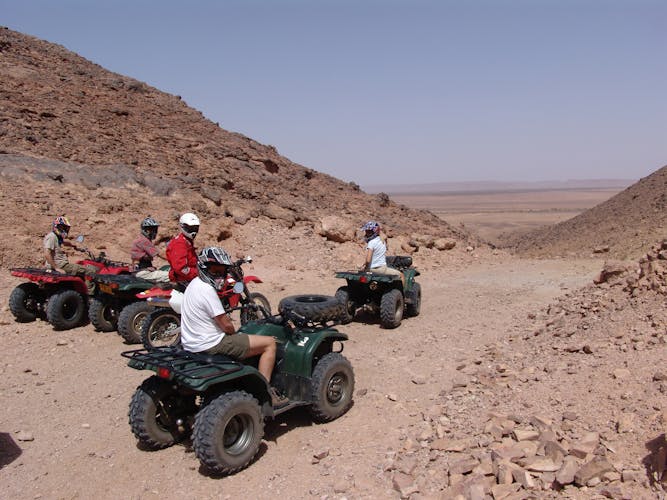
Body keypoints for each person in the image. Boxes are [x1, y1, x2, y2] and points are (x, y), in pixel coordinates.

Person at [180, 247, 288, 407]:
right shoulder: (207, 290)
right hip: (211, 343)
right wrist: (233, 331)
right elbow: (227, 327)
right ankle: (265, 392)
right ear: (204, 268)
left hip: (190, 342)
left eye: (222, 271)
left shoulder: (193, 284)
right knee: (269, 343)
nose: (220, 275)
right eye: (216, 271)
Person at [43, 215, 96, 292]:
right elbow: (47, 254)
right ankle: (89, 295)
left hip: (57, 265)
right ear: (56, 226)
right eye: (62, 227)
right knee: (90, 271)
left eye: (65, 228)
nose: (64, 230)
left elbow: (64, 242)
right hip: (61, 266)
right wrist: (57, 268)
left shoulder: (56, 237)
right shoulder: (52, 237)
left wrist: (73, 245)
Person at [130, 216, 170, 283]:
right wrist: (175, 259)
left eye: (154, 229)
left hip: (141, 271)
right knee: (171, 276)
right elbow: (160, 254)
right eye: (151, 230)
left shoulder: (141, 239)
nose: (154, 232)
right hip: (143, 273)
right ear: (145, 230)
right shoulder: (144, 241)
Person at [166, 212, 200, 286]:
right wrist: (199, 273)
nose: (193, 231)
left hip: (189, 278)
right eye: (190, 228)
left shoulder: (187, 241)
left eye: (195, 228)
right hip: (183, 281)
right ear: (182, 227)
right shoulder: (179, 244)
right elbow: (181, 269)